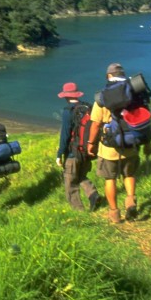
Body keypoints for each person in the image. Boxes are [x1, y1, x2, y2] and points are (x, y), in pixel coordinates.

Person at [87, 63, 151, 223]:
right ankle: (130, 201)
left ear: (108, 76)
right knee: (129, 174)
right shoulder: (134, 93)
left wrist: (90, 143)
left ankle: (114, 212)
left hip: (110, 146)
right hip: (131, 143)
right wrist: (147, 141)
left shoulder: (102, 97)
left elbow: (95, 124)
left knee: (110, 179)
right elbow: (145, 117)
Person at [55, 81, 101, 211]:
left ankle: (79, 212)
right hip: (87, 150)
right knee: (81, 176)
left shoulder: (68, 112)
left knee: (70, 183)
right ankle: (93, 195)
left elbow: (65, 136)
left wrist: (59, 155)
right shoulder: (87, 107)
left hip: (73, 153)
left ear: (66, 96)